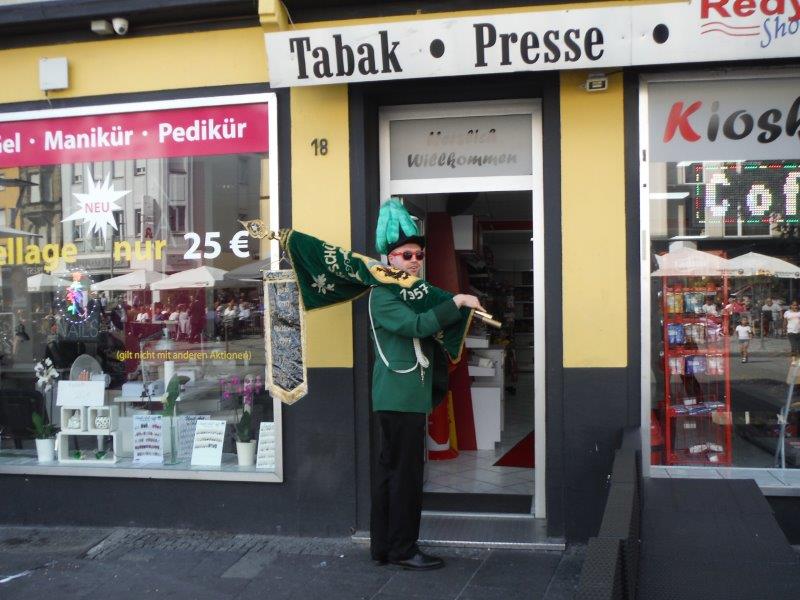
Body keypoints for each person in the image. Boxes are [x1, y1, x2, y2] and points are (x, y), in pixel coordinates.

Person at [368, 201, 484, 571]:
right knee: (404, 477)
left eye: (419, 255)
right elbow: (417, 327)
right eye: (407, 255)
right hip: (398, 397)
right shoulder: (383, 293)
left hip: (406, 397)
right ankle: (402, 549)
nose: (415, 261)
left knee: (393, 474)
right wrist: (457, 301)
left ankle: (384, 547)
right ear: (390, 258)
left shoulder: (409, 292)